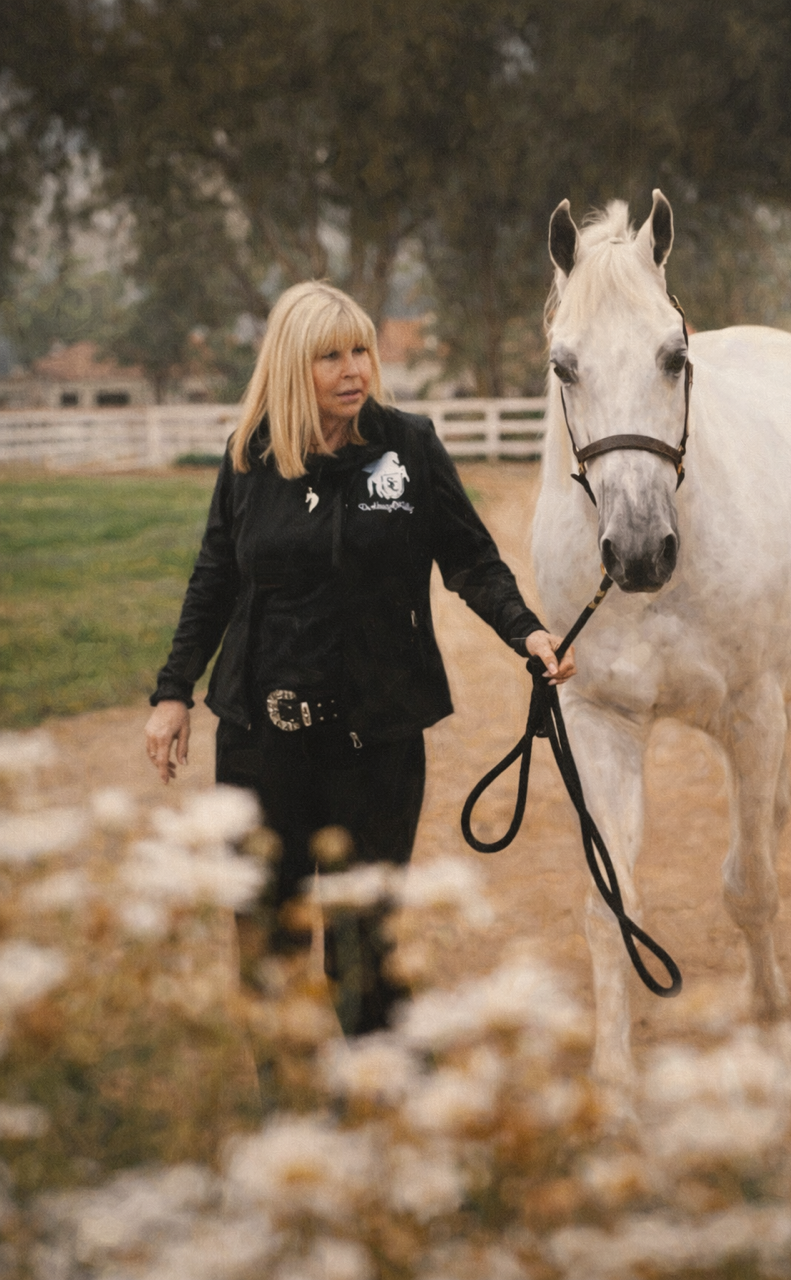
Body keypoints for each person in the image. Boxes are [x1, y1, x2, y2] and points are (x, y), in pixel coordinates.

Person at [144, 281, 576, 1036]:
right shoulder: (248, 457)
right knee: (267, 940)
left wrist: (527, 633)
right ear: (289, 366)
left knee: (367, 948)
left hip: (372, 741)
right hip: (259, 739)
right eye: (330, 357)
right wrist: (173, 690)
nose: (354, 370)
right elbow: (216, 577)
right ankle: (288, 1120)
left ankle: (376, 1116)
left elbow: (469, 559)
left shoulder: (407, 446)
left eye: (360, 352)